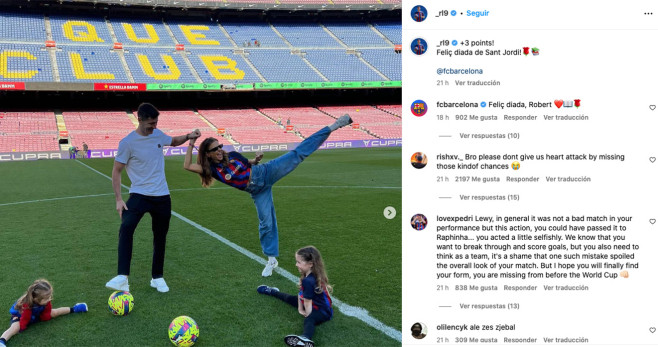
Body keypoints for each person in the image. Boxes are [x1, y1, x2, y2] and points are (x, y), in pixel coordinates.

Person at [183, 115, 352, 277]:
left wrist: (255, 160)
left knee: (297, 154)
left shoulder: (233, 155)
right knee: (266, 223)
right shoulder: (211, 170)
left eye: (220, 146)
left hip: (266, 172)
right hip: (257, 191)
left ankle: (335, 125)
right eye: (215, 149)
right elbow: (187, 165)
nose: (219, 150)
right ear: (207, 154)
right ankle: (272, 260)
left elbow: (249, 164)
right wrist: (191, 142)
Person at [105, 103, 200, 293]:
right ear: (139, 119)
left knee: (160, 237)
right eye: (150, 123)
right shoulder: (127, 143)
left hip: (162, 196)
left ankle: (157, 278)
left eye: (156, 123)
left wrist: (189, 136)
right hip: (139, 195)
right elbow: (116, 171)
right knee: (126, 227)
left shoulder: (157, 135)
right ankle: (122, 276)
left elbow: (173, 141)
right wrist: (118, 199)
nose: (154, 127)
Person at [257, 246, 333, 347]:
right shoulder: (312, 273)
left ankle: (305, 338)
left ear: (310, 264)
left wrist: (306, 313)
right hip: (316, 303)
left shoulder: (308, 280)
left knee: (310, 320)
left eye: (299, 262)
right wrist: (300, 308)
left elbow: (307, 302)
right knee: (289, 298)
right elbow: (301, 293)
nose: (296, 264)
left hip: (322, 310)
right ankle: (272, 291)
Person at [0, 279, 87, 347]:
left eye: (49, 297)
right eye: (47, 298)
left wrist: (45, 316)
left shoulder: (45, 301)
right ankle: (2, 341)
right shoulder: (26, 304)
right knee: (15, 327)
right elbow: (25, 318)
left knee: (54, 312)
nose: (49, 299)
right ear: (36, 299)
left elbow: (48, 310)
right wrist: (22, 327)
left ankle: (74, 308)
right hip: (20, 316)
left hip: (36, 315)